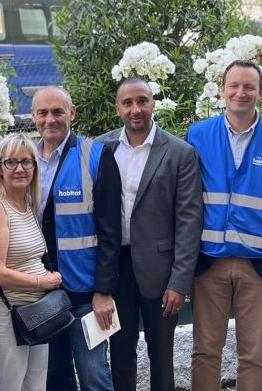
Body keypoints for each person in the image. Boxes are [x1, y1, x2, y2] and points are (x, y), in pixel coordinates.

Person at [187, 60, 262, 391]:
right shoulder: (198, 135)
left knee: (254, 356)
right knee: (205, 353)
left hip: (261, 265)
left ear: (260, 92)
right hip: (209, 263)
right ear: (222, 90)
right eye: (234, 86)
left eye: (249, 87)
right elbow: (185, 201)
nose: (241, 93)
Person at [96, 79, 203, 391]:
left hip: (161, 272)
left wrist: (179, 282)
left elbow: (189, 220)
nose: (135, 109)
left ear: (153, 103)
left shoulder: (180, 153)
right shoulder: (102, 148)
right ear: (118, 108)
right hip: (114, 270)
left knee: (161, 355)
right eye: (127, 103)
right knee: (119, 352)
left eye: (142, 101)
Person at [31, 85, 122, 391]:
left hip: (86, 293)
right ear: (33, 116)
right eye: (42, 113)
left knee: (94, 375)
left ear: (72, 113)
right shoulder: (24, 160)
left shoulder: (95, 155)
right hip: (41, 292)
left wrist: (104, 291)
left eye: (57, 111)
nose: (50, 119)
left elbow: (111, 232)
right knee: (54, 377)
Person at [0, 133, 60, 391]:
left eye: (27, 162)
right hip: (6, 312)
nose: (20, 169)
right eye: (11, 162)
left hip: (36, 312)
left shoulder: (28, 202)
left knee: (35, 386)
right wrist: (42, 281)